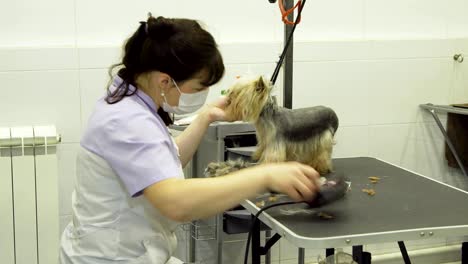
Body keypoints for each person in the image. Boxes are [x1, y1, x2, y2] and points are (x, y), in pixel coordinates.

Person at [59, 14, 320, 264]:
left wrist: (206, 116)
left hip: (126, 251)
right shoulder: (128, 122)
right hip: (114, 258)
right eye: (198, 88)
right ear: (164, 81)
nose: (203, 95)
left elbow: (162, 165)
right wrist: (264, 176)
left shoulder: (132, 102)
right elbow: (176, 202)